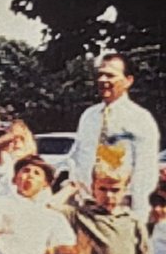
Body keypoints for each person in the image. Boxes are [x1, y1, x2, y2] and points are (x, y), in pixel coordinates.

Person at [67, 53, 160, 224]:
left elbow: (145, 169)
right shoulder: (89, 116)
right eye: (100, 74)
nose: (102, 80)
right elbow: (77, 157)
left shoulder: (140, 118)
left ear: (128, 81)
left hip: (121, 209)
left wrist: (139, 215)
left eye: (110, 75)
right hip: (86, 207)